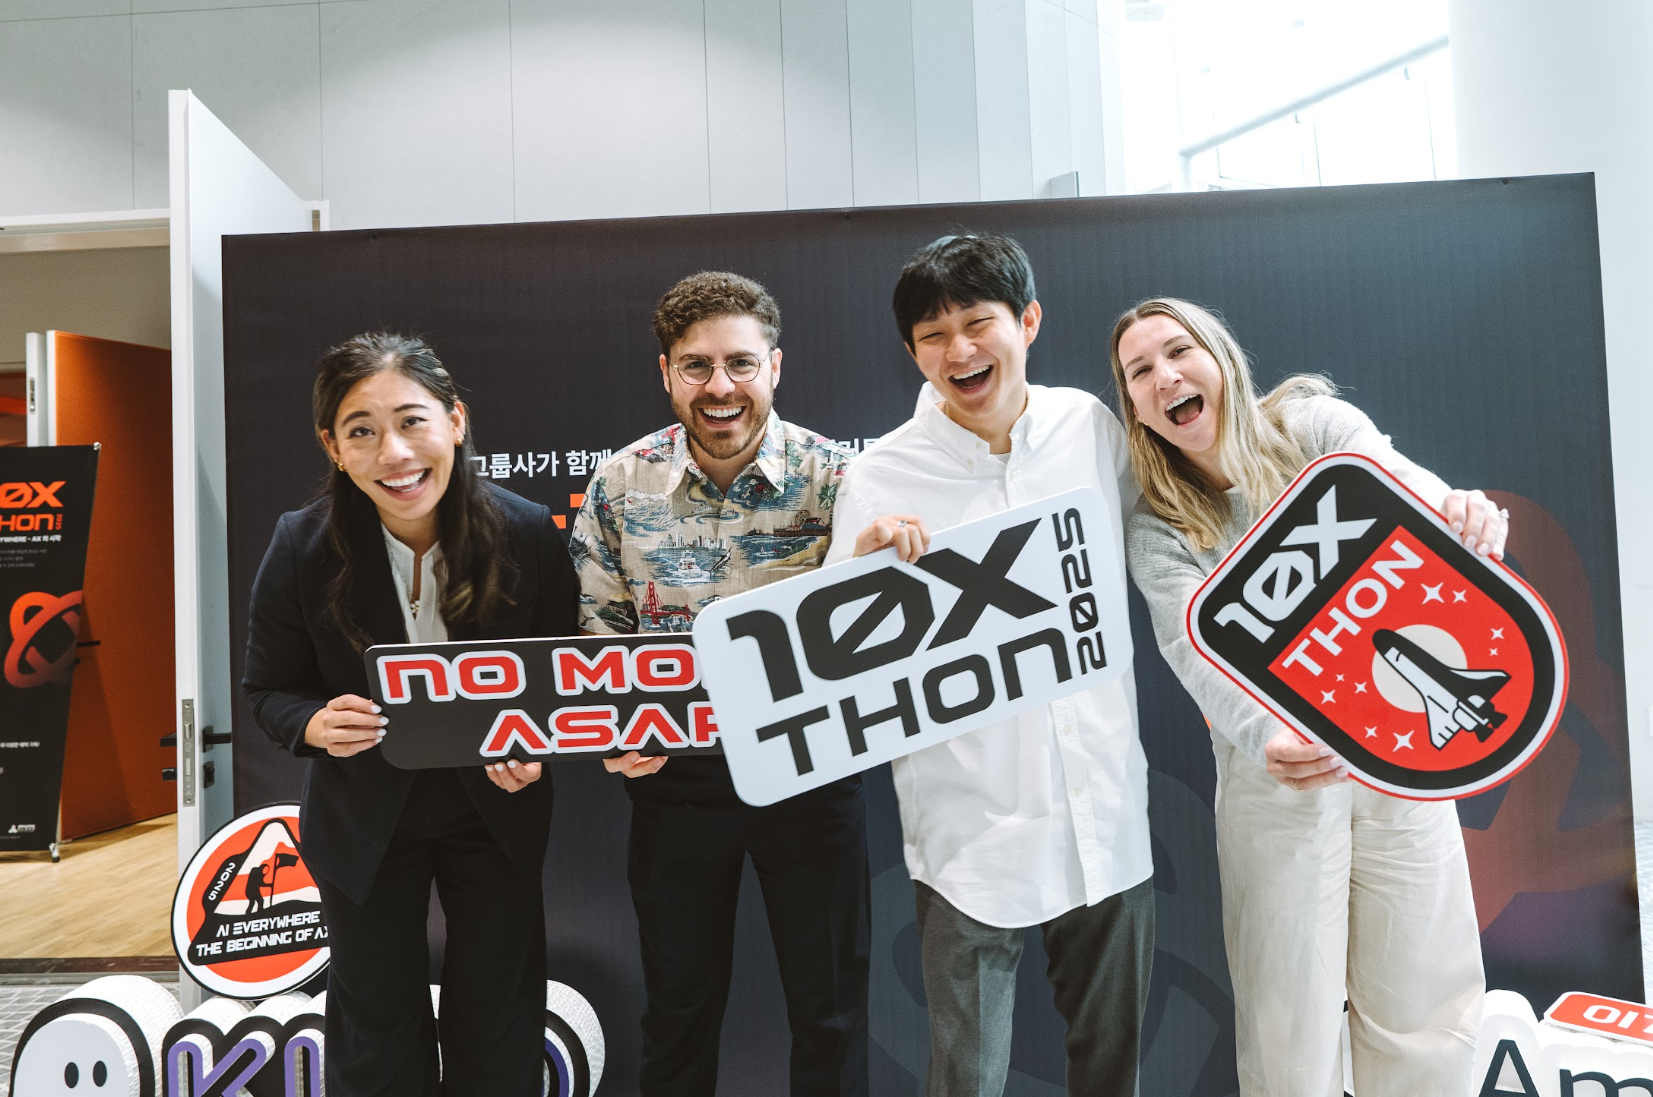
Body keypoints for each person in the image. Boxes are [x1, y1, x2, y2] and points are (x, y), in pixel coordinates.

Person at [1111, 297, 1495, 1095]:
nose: (1164, 377)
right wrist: (1266, 735)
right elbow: (1191, 648)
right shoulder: (1158, 525)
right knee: (1288, 1023)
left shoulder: (1314, 429)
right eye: (1139, 371)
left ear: (1220, 357)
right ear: (1133, 408)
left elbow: (1403, 488)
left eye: (1178, 351)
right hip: (1278, 777)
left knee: (1422, 1002)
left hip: (1395, 748)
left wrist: (1458, 512)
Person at [825, 232, 1154, 1097]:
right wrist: (858, 578)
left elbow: (1169, 540)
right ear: (911, 353)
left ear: (1028, 320)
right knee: (965, 1080)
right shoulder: (878, 475)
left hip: (1104, 811)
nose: (959, 350)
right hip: (967, 831)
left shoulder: (1090, 428)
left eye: (977, 323)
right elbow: (835, 675)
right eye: (933, 335)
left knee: (1112, 1072)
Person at [242, 332, 578, 1097]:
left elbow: (560, 681)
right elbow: (268, 689)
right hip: (363, 815)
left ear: (455, 421)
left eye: (412, 421)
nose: (393, 452)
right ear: (332, 447)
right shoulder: (301, 545)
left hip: (495, 809)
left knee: (499, 1014)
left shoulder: (527, 529)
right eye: (361, 430)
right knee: (374, 1022)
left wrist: (537, 743)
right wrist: (314, 723)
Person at [569, 271, 878, 1097]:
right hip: (677, 778)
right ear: (666, 373)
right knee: (677, 1012)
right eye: (696, 365)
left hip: (811, 772)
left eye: (740, 363)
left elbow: (866, 638)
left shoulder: (838, 478)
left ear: (773, 366)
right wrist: (616, 730)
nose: (719, 387)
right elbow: (600, 633)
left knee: (831, 1013)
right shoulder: (619, 484)